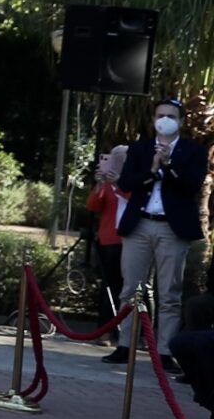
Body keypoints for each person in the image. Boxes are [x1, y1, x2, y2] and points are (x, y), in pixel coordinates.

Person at [112, 99, 208, 361]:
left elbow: (191, 185)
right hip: (139, 225)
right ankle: (125, 345)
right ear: (153, 119)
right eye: (160, 115)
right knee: (131, 289)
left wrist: (168, 166)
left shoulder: (193, 151)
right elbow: (127, 182)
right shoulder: (140, 148)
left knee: (169, 293)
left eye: (171, 116)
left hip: (171, 229)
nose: (164, 120)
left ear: (181, 121)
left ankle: (165, 351)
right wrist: (153, 170)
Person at [86, 146, 129, 351]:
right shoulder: (107, 183)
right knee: (109, 288)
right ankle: (105, 330)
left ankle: (138, 334)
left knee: (135, 289)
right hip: (109, 239)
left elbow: (134, 199)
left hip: (131, 240)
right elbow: (93, 206)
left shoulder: (133, 180)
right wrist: (100, 184)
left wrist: (118, 182)